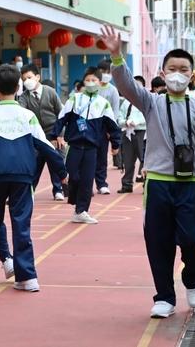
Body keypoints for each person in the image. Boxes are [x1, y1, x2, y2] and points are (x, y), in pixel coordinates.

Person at [101, 25, 195, 319]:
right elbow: (126, 86)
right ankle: (164, 297)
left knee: (191, 242)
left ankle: (193, 279)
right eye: (172, 68)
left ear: (192, 76)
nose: (178, 74)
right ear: (163, 72)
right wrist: (117, 57)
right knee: (158, 241)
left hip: (190, 184)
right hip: (157, 184)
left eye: (183, 69)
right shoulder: (152, 103)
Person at [0, 64, 68, 292]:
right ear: (19, 87)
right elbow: (46, 147)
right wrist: (62, 172)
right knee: (21, 224)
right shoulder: (27, 116)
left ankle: (7, 259)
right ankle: (28, 277)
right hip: (23, 176)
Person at [50, 66, 121, 224]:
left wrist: (116, 144)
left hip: (91, 148)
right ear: (83, 81)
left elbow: (112, 125)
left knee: (87, 180)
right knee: (72, 176)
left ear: (99, 82)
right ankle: (76, 202)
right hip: (74, 146)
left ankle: (81, 211)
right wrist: (54, 135)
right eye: (87, 80)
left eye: (94, 80)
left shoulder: (103, 104)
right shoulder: (74, 99)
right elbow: (62, 118)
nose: (90, 83)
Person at [18, 64, 65, 201]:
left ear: (38, 77)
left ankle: (58, 189)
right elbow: (21, 114)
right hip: (35, 136)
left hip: (53, 133)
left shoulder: (50, 92)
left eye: (29, 77)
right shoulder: (24, 97)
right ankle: (30, 190)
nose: (27, 81)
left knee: (56, 161)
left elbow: (61, 115)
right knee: (33, 164)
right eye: (24, 79)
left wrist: (60, 135)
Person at [117, 76, 146, 194]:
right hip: (128, 132)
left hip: (142, 132)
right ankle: (127, 184)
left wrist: (139, 122)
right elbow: (119, 117)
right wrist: (125, 122)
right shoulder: (126, 102)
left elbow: (150, 116)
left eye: (139, 85)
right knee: (128, 159)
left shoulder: (146, 100)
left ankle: (147, 183)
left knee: (144, 158)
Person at [96, 59, 121, 194]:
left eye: (108, 72)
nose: (105, 74)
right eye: (103, 71)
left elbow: (115, 112)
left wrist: (111, 130)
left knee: (101, 157)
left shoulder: (113, 91)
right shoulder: (92, 86)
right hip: (90, 126)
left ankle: (101, 183)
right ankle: (86, 183)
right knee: (88, 157)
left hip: (104, 128)